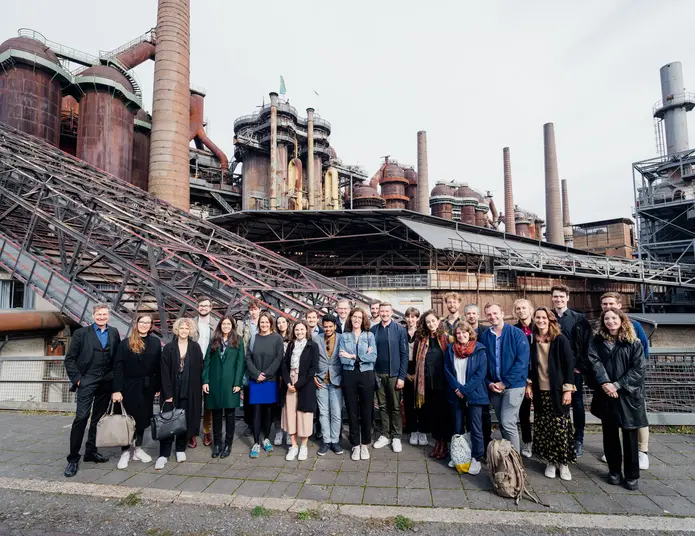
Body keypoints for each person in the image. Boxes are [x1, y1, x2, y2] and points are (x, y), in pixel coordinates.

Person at [587, 309, 647, 491]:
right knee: (610, 435)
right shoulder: (597, 341)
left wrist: (617, 385)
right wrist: (605, 382)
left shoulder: (633, 343)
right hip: (607, 395)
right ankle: (614, 471)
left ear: (622, 320)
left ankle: (631, 475)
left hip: (627, 395)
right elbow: (594, 362)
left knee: (630, 435)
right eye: (607, 318)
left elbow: (638, 369)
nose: (610, 321)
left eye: (614, 318)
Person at [63, 303, 122, 478]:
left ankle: (91, 451)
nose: (102, 317)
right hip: (87, 380)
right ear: (93, 316)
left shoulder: (113, 332)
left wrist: (116, 385)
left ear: (108, 316)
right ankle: (73, 459)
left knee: (98, 419)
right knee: (81, 417)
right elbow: (70, 359)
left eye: (104, 314)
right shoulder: (81, 334)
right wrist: (78, 379)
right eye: (99, 315)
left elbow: (116, 360)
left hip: (106, 381)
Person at [598, 292, 651, 470]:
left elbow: (642, 355)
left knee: (633, 424)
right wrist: (606, 383)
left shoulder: (635, 330)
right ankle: (614, 461)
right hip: (609, 389)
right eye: (604, 305)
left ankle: (640, 455)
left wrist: (620, 383)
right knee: (612, 426)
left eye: (611, 304)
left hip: (630, 387)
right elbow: (594, 360)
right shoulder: (600, 335)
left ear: (620, 307)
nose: (608, 307)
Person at [526, 307, 576, 481]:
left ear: (550, 320)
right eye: (537, 317)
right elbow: (532, 366)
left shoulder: (560, 339)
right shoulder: (533, 340)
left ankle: (563, 463)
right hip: (541, 390)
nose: (540, 320)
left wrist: (568, 389)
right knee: (544, 427)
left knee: (560, 428)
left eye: (543, 317)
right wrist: (530, 385)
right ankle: (550, 462)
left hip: (558, 390)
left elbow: (569, 365)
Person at [479, 302, 530, 453]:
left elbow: (522, 361)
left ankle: (515, 461)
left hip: (514, 385)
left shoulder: (516, 333)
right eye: (489, 314)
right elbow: (483, 363)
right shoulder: (485, 336)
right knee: (502, 422)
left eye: (495, 313)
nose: (492, 317)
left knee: (508, 422)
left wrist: (504, 382)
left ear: (502, 313)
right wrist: (489, 383)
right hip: (494, 386)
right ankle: (507, 457)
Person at [112, 314, 161, 470]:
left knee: (142, 419)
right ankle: (125, 451)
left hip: (147, 386)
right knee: (127, 420)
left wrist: (158, 386)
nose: (145, 325)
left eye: (148, 323)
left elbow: (158, 366)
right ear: (137, 324)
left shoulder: (155, 343)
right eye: (142, 322)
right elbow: (118, 367)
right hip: (129, 386)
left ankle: (138, 449)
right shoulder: (125, 343)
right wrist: (117, 390)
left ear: (151, 325)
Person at [156, 318, 203, 470]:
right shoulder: (169, 348)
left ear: (190, 331)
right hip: (171, 390)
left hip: (189, 390)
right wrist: (167, 393)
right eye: (181, 328)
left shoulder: (195, 347)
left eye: (186, 329)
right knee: (168, 421)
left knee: (184, 420)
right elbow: (163, 372)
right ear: (177, 330)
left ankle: (180, 449)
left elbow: (198, 370)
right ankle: (163, 454)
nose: (184, 331)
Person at [551, 284, 592, 457]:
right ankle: (562, 437)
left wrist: (579, 368)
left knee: (576, 404)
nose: (558, 299)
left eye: (561, 296)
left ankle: (578, 439)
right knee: (556, 404)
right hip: (553, 370)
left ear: (567, 297)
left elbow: (586, 345)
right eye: (555, 297)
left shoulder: (578, 319)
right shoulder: (548, 317)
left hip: (573, 370)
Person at [444, 323, 488, 475]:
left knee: (475, 428)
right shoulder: (451, 349)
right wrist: (457, 388)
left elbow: (481, 373)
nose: (461, 336)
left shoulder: (479, 349)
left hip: (474, 394)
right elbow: (447, 370)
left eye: (464, 333)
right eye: (458, 333)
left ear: (470, 333)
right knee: (457, 427)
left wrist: (464, 389)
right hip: (455, 394)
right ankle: (459, 455)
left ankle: (476, 457)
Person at [202, 316, 245, 459]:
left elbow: (240, 364)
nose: (226, 326)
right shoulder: (214, 340)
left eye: (228, 324)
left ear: (232, 326)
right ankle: (217, 444)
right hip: (214, 383)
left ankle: (228, 444)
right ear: (220, 326)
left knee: (230, 414)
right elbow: (207, 361)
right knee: (216, 414)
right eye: (223, 324)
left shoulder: (238, 340)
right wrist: (205, 380)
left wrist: (237, 383)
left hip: (230, 383)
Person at [413, 310, 452, 459]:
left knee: (443, 415)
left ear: (438, 321)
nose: (431, 324)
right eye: (428, 322)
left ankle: (444, 444)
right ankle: (437, 442)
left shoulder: (447, 339)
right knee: (433, 415)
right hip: (428, 385)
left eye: (433, 321)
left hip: (443, 384)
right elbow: (417, 362)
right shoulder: (421, 340)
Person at [339, 307, 377, 461]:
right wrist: (362, 355)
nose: (356, 320)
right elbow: (342, 358)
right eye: (354, 317)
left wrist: (352, 355)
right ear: (350, 318)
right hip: (349, 374)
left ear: (363, 320)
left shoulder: (369, 335)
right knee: (352, 410)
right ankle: (355, 445)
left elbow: (373, 356)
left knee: (366, 410)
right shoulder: (344, 336)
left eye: (359, 317)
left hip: (366, 375)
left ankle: (365, 444)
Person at [245, 311, 284, 458]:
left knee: (268, 411)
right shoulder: (253, 338)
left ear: (270, 323)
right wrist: (256, 374)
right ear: (259, 323)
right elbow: (248, 357)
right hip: (256, 380)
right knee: (255, 412)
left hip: (270, 380)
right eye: (262, 322)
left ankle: (266, 438)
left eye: (267, 322)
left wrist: (266, 374)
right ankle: (256, 442)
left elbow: (279, 358)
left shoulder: (277, 338)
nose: (264, 324)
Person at [371, 302, 408, 453]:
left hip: (394, 374)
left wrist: (402, 377)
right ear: (378, 313)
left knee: (395, 406)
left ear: (391, 312)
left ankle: (397, 436)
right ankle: (385, 434)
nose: (384, 313)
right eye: (382, 311)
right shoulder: (374, 330)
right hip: (378, 373)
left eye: (387, 311)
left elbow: (404, 354)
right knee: (382, 405)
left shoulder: (399, 329)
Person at [282, 320, 320, 461]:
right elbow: (285, 364)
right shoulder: (291, 345)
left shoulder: (312, 346)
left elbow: (312, 369)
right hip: (290, 381)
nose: (299, 332)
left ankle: (303, 446)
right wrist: (287, 382)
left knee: (304, 414)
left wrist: (297, 385)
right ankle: (293, 445)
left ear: (306, 331)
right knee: (290, 413)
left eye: (302, 330)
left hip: (305, 383)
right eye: (297, 330)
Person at [315, 314, 344, 456]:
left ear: (335, 326)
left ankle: (335, 440)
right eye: (325, 326)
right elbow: (311, 359)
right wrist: (314, 375)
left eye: (330, 326)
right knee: (323, 413)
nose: (327, 329)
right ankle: (326, 441)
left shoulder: (341, 339)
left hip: (337, 381)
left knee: (336, 413)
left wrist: (343, 379)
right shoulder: (316, 339)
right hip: (321, 381)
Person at [464, 303, 492, 451]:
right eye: (468, 313)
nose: (471, 316)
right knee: (469, 416)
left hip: (483, 378)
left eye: (474, 313)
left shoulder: (485, 332)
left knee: (484, 415)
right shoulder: (461, 331)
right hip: (466, 378)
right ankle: (471, 444)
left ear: (478, 315)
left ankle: (486, 443)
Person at [193, 296, 217, 448]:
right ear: (197, 307)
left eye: (206, 306)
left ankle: (207, 431)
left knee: (208, 401)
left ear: (211, 308)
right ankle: (193, 432)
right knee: (193, 400)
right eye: (201, 305)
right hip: (194, 364)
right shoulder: (191, 323)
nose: (203, 308)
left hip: (210, 365)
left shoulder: (216, 324)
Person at [403, 307, 427, 446]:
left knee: (422, 401)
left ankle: (422, 430)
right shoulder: (402, 332)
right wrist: (405, 373)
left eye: (413, 317)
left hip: (420, 370)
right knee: (408, 401)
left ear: (417, 318)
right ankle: (412, 430)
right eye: (408, 317)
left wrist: (418, 373)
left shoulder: (422, 333)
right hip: (406, 369)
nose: (411, 319)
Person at [513, 298, 534, 458]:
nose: (521, 311)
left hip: (541, 376)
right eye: (518, 309)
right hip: (523, 376)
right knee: (523, 412)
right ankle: (527, 442)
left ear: (530, 309)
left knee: (542, 412)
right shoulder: (514, 330)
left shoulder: (539, 326)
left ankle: (540, 442)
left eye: (524, 308)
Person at [241, 300, 261, 434]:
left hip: (261, 362)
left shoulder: (265, 322)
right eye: (251, 309)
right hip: (247, 362)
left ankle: (260, 423)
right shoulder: (244, 325)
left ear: (260, 310)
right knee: (248, 395)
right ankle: (250, 424)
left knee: (260, 395)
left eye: (255, 309)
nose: (253, 312)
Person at [274, 316, 293, 446]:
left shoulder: (293, 338)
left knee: (290, 405)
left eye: (283, 322)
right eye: (278, 322)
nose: (281, 325)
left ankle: (288, 432)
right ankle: (278, 432)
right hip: (277, 375)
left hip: (290, 375)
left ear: (287, 323)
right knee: (278, 405)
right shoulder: (274, 337)